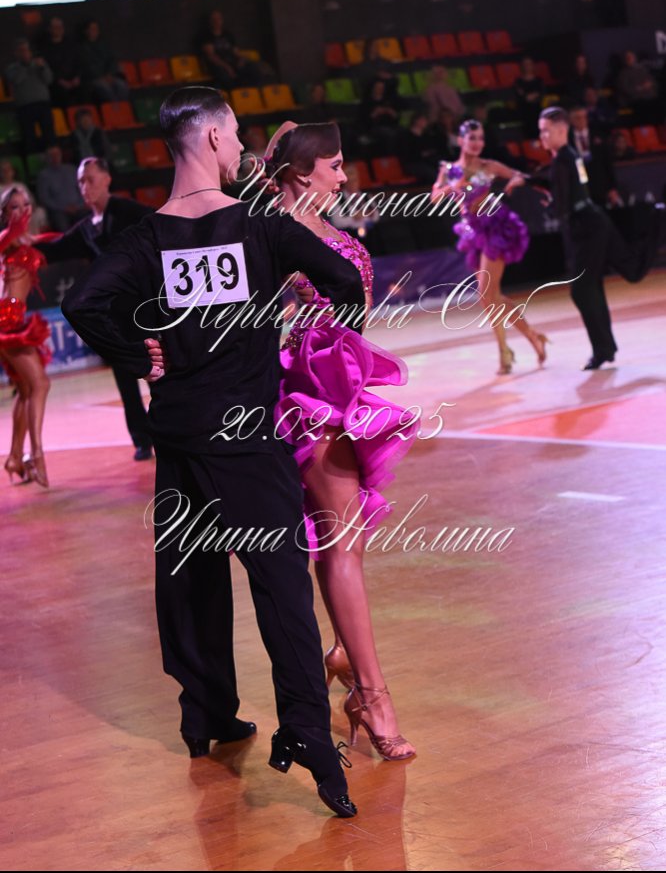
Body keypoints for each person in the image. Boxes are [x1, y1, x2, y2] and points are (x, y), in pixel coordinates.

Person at [61, 87, 362, 818]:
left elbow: (82, 303)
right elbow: (346, 281)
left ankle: (206, 716)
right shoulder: (258, 224)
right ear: (216, 139)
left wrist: (139, 353)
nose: (240, 149)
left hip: (179, 433)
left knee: (191, 580)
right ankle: (309, 738)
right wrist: (302, 339)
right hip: (246, 436)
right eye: (235, 137)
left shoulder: (145, 238)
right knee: (281, 587)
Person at [262, 121, 417, 761]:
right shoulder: (271, 230)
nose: (344, 175)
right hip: (307, 397)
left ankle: (347, 663)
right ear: (303, 173)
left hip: (342, 391)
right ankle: (372, 695)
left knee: (342, 545)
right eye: (334, 164)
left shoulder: (319, 228)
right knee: (341, 547)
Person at [39, 158, 153, 459]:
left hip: (145, 310)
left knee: (159, 373)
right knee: (126, 381)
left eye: (90, 179)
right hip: (113, 318)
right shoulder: (86, 227)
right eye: (80, 181)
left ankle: (169, 433)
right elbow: (56, 248)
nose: (84, 187)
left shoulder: (130, 211)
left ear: (106, 179)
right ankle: (141, 440)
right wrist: (19, 242)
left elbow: (161, 227)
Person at [538, 107, 661, 369]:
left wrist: (548, 206)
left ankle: (603, 349)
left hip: (587, 228)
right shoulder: (569, 156)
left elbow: (561, 207)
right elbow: (567, 193)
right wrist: (530, 182)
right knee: (627, 272)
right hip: (594, 221)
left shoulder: (563, 160)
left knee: (582, 290)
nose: (542, 137)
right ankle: (605, 349)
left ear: (562, 130)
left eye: (547, 131)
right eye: (541, 131)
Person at [431, 119, 549, 375]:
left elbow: (519, 175)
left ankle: (505, 352)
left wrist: (515, 181)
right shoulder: (449, 169)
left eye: (481, 138)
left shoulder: (489, 166)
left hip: (495, 226)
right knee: (490, 296)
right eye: (472, 138)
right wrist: (450, 187)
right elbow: (435, 197)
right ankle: (532, 337)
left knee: (487, 294)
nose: (477, 143)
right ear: (460, 140)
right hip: (473, 231)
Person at [0, 185, 53, 487]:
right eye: (14, 207)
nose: (21, 211)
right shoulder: (5, 239)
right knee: (40, 384)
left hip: (13, 318)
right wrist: (16, 229)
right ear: (4, 213)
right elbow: (9, 236)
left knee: (25, 389)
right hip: (5, 322)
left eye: (25, 205)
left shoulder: (23, 239)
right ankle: (37, 455)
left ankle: (15, 457)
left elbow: (42, 239)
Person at [4, 38, 56, 153]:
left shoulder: (40, 64)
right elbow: (16, 80)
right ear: (16, 53)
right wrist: (27, 66)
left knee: (49, 134)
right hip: (25, 106)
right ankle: (33, 158)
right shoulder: (12, 68)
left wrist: (42, 67)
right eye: (21, 50)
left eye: (26, 50)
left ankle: (52, 156)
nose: (25, 53)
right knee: (29, 137)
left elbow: (49, 80)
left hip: (43, 104)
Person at [78, 20, 129, 103]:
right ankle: (114, 108)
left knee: (121, 85)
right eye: (92, 29)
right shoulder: (81, 48)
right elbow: (87, 66)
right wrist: (101, 77)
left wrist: (109, 74)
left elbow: (112, 60)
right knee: (105, 89)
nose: (95, 31)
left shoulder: (104, 45)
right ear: (86, 31)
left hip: (108, 76)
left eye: (96, 29)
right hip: (93, 79)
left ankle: (123, 107)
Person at [36, 145, 85, 232]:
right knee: (62, 225)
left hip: (78, 207)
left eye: (57, 154)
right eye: (51, 155)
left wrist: (79, 205)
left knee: (89, 219)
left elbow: (82, 189)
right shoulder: (44, 176)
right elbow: (44, 198)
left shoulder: (72, 170)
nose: (55, 157)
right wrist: (63, 208)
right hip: (59, 211)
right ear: (47, 157)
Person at [513, 56, 544, 138]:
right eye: (525, 64)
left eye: (529, 64)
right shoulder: (518, 82)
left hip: (537, 111)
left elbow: (541, 94)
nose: (527, 66)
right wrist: (532, 95)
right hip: (524, 113)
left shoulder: (539, 81)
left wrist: (529, 96)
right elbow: (521, 96)